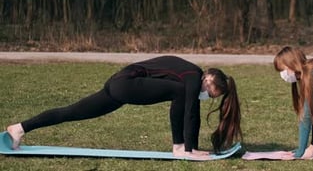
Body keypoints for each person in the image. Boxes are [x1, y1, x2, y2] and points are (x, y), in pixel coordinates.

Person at [6, 56, 242, 159]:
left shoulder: (191, 76)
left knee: (73, 111)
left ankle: (19, 128)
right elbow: (190, 111)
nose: (207, 96)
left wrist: (194, 147)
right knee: (179, 93)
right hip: (126, 84)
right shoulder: (194, 75)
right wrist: (188, 149)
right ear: (209, 79)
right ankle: (179, 148)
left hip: (119, 85)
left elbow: (192, 111)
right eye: (211, 92)